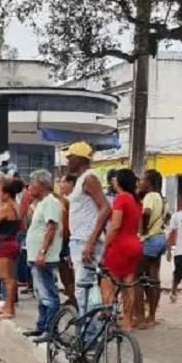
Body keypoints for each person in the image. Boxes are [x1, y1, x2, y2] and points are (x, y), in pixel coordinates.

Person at [64, 142, 111, 333]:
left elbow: (106, 208)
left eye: (70, 157)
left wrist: (91, 241)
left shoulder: (89, 179)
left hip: (86, 241)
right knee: (86, 291)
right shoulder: (82, 180)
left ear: (80, 159)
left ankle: (91, 338)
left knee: (85, 292)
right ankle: (89, 337)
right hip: (79, 241)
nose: (67, 160)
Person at [21, 170, 63, 341]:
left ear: (41, 185)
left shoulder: (51, 202)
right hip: (36, 256)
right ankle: (41, 327)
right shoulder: (42, 203)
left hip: (45, 257)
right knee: (41, 295)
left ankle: (50, 330)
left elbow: (51, 228)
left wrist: (42, 252)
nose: (30, 187)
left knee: (49, 295)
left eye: (32, 184)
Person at [100, 168, 144, 331]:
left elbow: (115, 225)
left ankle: (109, 321)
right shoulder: (136, 200)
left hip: (120, 245)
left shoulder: (121, 199)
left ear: (118, 182)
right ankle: (127, 322)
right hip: (134, 244)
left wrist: (105, 246)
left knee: (107, 282)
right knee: (128, 284)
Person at [0, 179, 24, 320]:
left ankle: (9, 309)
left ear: (7, 194)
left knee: (6, 278)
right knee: (11, 278)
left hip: (4, 244)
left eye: (1, 192)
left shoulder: (6, 207)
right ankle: (9, 306)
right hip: (13, 242)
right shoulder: (16, 205)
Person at [136, 169, 166, 328]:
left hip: (149, 239)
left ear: (149, 183)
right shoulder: (160, 197)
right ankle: (152, 316)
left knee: (137, 278)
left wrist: (143, 231)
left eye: (142, 179)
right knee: (154, 279)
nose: (140, 182)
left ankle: (140, 317)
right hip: (160, 238)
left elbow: (146, 213)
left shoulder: (149, 196)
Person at [57, 173, 76, 308]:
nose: (61, 185)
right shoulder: (62, 199)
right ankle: (70, 296)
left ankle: (74, 297)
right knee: (63, 271)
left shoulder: (71, 200)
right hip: (62, 239)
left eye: (64, 182)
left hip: (69, 239)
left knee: (69, 271)